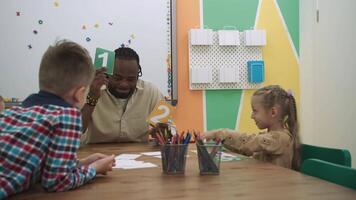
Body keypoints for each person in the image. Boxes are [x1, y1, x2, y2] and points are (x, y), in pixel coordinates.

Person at [0, 40, 115, 199]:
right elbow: (57, 182)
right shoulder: (68, 115)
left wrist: (80, 163)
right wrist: (94, 168)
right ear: (80, 93)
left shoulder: (12, 113)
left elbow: (37, 164)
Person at [202, 85, 300, 170]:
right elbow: (244, 149)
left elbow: (248, 143)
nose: (252, 116)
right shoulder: (270, 137)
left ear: (273, 112)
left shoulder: (280, 139)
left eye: (255, 111)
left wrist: (220, 133)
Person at [81, 47, 163, 144]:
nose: (124, 84)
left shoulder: (151, 92)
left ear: (138, 76)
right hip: (95, 155)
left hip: (137, 155)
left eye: (131, 79)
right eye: (117, 78)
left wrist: (163, 132)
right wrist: (92, 98)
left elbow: (169, 129)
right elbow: (74, 131)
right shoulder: (91, 89)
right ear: (108, 74)